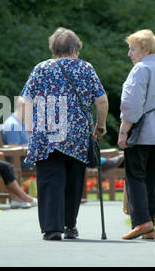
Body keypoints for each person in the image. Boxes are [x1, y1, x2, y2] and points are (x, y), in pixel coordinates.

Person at [21, 27, 109, 240]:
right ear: (74, 49)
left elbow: (26, 101)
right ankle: (70, 225)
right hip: (77, 134)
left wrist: (30, 130)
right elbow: (102, 100)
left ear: (54, 49)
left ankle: (53, 228)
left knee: (50, 179)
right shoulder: (86, 68)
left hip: (46, 134)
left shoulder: (41, 68)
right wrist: (100, 124)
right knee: (74, 179)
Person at [118, 29, 155, 240]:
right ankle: (149, 225)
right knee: (151, 178)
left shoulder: (141, 69)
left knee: (135, 176)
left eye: (132, 48)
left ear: (145, 49)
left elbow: (132, 104)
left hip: (142, 133)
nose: (129, 53)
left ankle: (142, 222)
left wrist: (124, 131)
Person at [2, 96, 124, 172]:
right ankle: (100, 162)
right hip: (24, 162)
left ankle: (100, 161)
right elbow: (13, 149)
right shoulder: (13, 125)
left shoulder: (20, 123)